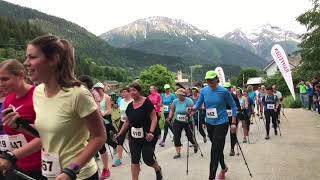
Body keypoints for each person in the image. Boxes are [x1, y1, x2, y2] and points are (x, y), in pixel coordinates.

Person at [0, 35, 106, 180]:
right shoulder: (38, 92)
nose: (26, 63)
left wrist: (71, 170)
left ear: (53, 60)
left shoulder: (78, 93)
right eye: (26, 57)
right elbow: (47, 135)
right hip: (52, 174)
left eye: (32, 57)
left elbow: (99, 137)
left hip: (80, 175)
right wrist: (22, 127)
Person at [0, 59, 45, 179]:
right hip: (16, 165)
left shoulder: (38, 96)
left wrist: (12, 156)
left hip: (40, 167)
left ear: (21, 75)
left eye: (5, 79)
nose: (0, 83)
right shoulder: (9, 99)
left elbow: (47, 135)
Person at [191, 71, 237, 180]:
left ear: (217, 79)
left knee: (214, 150)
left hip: (222, 123)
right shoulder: (204, 91)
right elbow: (199, 103)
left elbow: (233, 106)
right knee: (218, 148)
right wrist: (193, 108)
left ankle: (211, 177)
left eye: (211, 80)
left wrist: (234, 122)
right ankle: (224, 167)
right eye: (207, 80)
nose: (210, 82)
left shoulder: (224, 92)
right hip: (210, 123)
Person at [116, 83, 162, 180]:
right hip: (134, 137)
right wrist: (120, 133)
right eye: (130, 90)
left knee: (148, 159)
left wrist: (151, 132)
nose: (132, 92)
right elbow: (127, 122)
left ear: (139, 91)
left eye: (134, 90)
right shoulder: (129, 106)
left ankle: (157, 169)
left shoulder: (146, 102)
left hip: (148, 135)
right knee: (134, 160)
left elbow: (154, 118)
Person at [78, 75, 111, 179]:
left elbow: (96, 109)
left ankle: (106, 169)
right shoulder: (80, 92)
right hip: (83, 123)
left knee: (101, 147)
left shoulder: (93, 93)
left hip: (94, 122)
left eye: (81, 84)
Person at [166, 88, 198, 159]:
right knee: (176, 137)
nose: (178, 96)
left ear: (184, 95)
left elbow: (194, 110)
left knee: (189, 136)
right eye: (177, 95)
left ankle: (194, 144)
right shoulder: (175, 101)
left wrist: (190, 115)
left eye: (180, 95)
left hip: (188, 121)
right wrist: (170, 117)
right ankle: (178, 153)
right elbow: (172, 110)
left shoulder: (189, 101)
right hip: (178, 121)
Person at [93, 82, 118, 153]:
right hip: (98, 118)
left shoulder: (106, 97)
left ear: (102, 89)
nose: (97, 90)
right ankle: (97, 153)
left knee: (105, 138)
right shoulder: (95, 98)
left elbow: (109, 110)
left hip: (106, 117)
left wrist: (102, 114)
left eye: (99, 89)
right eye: (96, 89)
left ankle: (115, 145)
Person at [113, 87, 132, 167]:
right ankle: (119, 159)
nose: (123, 93)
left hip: (131, 122)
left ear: (129, 92)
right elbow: (119, 109)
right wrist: (117, 119)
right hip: (122, 122)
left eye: (125, 92)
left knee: (132, 139)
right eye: (122, 92)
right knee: (119, 139)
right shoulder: (121, 100)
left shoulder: (132, 101)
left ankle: (135, 154)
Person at [223, 83, 241, 156]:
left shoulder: (234, 96)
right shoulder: (222, 96)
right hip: (224, 117)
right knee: (222, 133)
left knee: (232, 133)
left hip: (232, 117)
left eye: (228, 88)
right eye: (225, 88)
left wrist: (236, 113)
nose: (226, 90)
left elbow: (238, 107)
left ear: (230, 88)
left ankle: (232, 149)